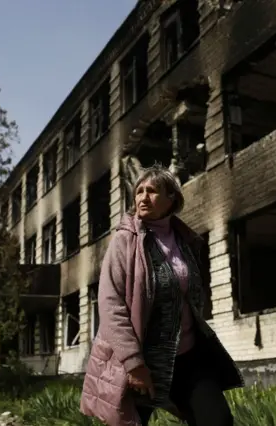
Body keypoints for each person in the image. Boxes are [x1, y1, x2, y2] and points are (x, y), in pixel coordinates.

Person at [80, 164, 244, 426]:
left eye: (153, 191)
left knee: (218, 420)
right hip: (142, 359)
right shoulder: (125, 241)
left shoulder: (184, 240)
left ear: (171, 199)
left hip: (187, 356)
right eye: (139, 191)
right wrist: (133, 363)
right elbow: (111, 304)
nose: (143, 197)